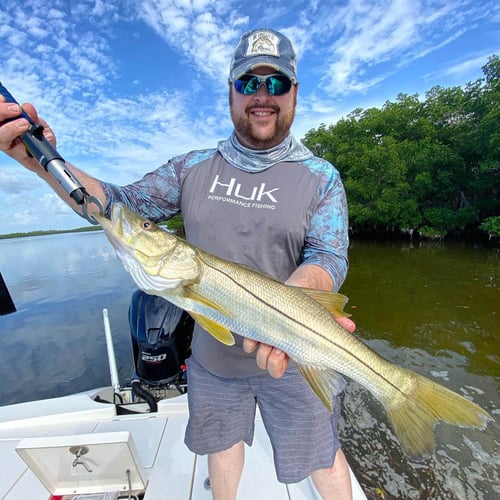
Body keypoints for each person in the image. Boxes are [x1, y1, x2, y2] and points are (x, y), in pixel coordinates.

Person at [0, 28, 356, 499]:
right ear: (231, 89)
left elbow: (328, 254)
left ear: (294, 92)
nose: (262, 96)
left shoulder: (321, 177)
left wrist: (292, 305)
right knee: (222, 448)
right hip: (211, 360)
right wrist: (43, 163)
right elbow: (120, 205)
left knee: (322, 457)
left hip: (294, 355)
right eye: (249, 83)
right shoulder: (191, 168)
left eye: (277, 83)